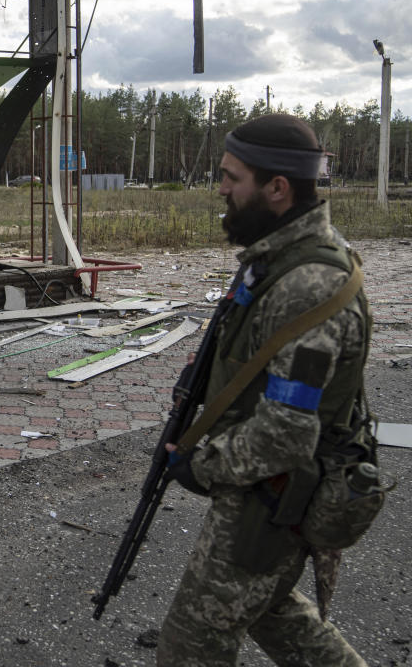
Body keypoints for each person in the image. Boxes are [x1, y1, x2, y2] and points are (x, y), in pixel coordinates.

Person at [157, 114, 373, 665]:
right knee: (274, 614)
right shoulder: (277, 257)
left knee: (192, 644)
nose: (222, 189)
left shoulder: (308, 285)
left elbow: (286, 434)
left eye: (233, 177)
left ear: (278, 188)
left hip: (274, 493)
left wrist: (201, 467)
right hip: (263, 486)